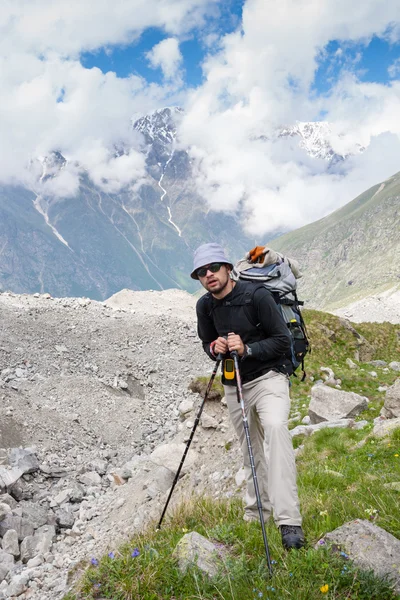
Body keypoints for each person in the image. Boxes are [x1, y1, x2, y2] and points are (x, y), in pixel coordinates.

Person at [191, 242, 305, 550]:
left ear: (228, 268)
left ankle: (289, 521)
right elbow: (206, 343)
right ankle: (257, 512)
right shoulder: (205, 307)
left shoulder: (258, 296)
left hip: (270, 377)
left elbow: (282, 340)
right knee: (249, 448)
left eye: (214, 268)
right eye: (202, 272)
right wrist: (214, 348)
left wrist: (248, 348)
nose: (209, 275)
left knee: (277, 430)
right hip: (234, 385)